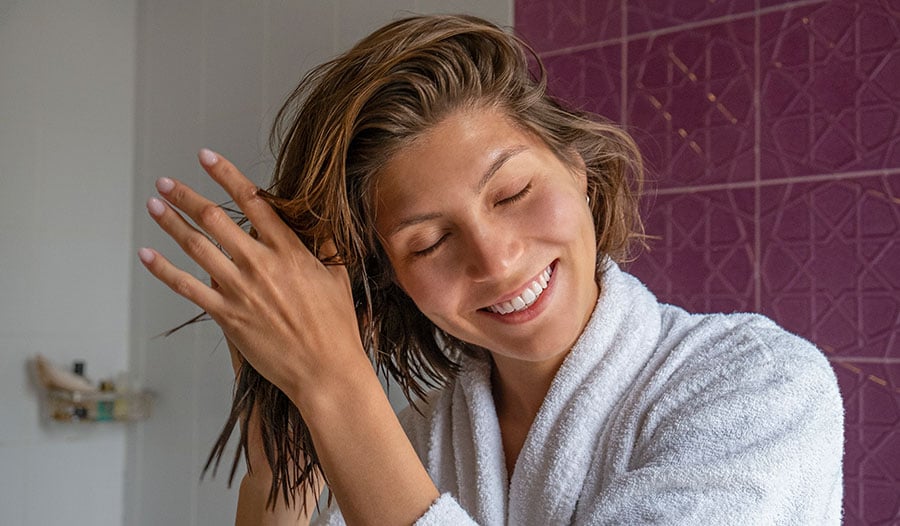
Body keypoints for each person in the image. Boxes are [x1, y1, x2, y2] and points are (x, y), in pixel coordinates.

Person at [138, 14, 844, 526]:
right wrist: (283, 465)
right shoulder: (415, 444)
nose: (496, 258)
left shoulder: (759, 384)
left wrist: (334, 383)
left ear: (581, 170)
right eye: (427, 242)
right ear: (391, 280)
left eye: (512, 193)